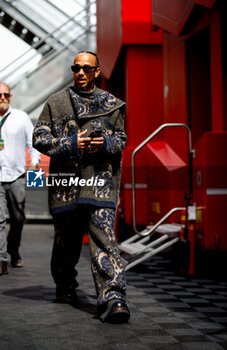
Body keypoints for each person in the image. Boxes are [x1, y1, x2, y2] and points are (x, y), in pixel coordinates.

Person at [32, 51, 130, 323]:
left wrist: (105, 144)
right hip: (67, 186)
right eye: (76, 67)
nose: (81, 72)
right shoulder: (56, 102)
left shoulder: (113, 104)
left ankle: (113, 297)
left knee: (104, 241)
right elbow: (39, 139)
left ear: (97, 72)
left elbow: (121, 141)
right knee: (66, 244)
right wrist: (73, 144)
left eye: (87, 68)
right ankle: (65, 284)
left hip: (100, 183)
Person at [0, 82, 40, 276]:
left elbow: (33, 143)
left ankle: (13, 250)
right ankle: (2, 259)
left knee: (18, 218)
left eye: (5, 95)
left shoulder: (21, 117)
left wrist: (34, 163)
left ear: (11, 96)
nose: (2, 98)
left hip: (17, 176)